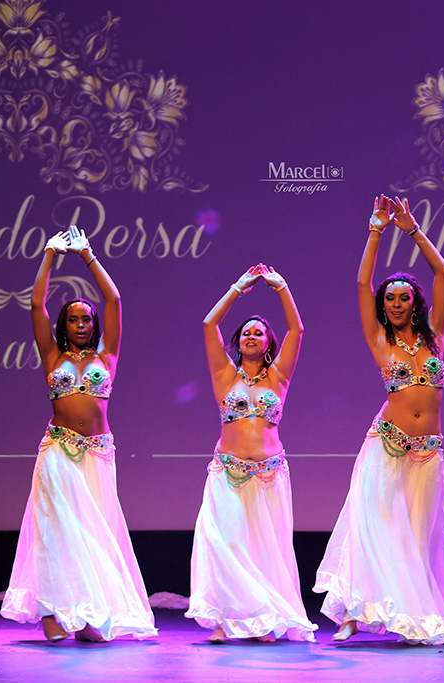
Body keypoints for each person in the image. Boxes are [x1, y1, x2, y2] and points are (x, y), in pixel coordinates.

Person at [314, 195, 444, 645]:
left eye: (404, 297)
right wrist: (375, 231)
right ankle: (352, 613)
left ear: (415, 302)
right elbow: (362, 283)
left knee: (416, 536)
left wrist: (413, 230)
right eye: (390, 299)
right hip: (386, 444)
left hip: (427, 452)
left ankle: (408, 613)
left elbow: (443, 273)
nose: (397, 303)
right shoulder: (380, 339)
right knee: (374, 528)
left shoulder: (435, 336)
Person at [1, 227, 156, 642]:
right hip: (58, 450)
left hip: (98, 454)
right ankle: (53, 613)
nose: (82, 324)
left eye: (86, 318)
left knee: (93, 531)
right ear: (64, 325)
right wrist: (50, 255)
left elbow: (114, 300)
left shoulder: (108, 354)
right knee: (57, 531)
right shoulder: (52, 355)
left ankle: (88, 614)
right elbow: (36, 303)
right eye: (73, 319)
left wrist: (88, 255)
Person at [185, 264, 317, 643]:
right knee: (226, 543)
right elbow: (209, 324)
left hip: (269, 476)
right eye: (246, 332)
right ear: (238, 341)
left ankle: (264, 620)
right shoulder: (224, 376)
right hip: (227, 473)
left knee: (265, 548)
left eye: (258, 332)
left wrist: (282, 287)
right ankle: (224, 620)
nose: (251, 336)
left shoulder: (279, 377)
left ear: (268, 342)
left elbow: (297, 330)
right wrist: (238, 288)